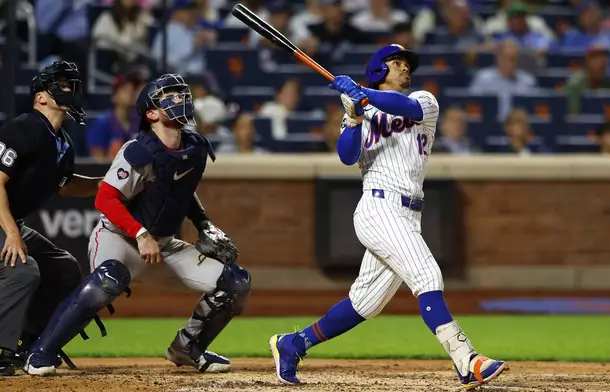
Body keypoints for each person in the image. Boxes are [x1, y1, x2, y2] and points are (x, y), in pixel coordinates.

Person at [268, 44, 507, 389]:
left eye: (407, 65)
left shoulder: (425, 101)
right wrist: (351, 117)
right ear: (380, 70)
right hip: (378, 208)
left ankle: (293, 344)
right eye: (397, 64)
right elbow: (346, 157)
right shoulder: (362, 111)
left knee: (365, 302)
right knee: (427, 275)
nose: (405, 69)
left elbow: (402, 106)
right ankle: (467, 361)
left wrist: (360, 93)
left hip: (409, 214)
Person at [23, 74, 251, 376]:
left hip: (164, 245)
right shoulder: (139, 150)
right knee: (106, 280)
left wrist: (204, 224)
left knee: (235, 283)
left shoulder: (195, 148)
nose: (180, 99)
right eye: (169, 96)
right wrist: (141, 234)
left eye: (182, 93)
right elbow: (105, 198)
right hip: (119, 238)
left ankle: (188, 347)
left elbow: (183, 192)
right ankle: (40, 353)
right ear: (151, 113)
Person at [0, 61, 102, 376]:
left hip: (10, 221)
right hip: (5, 221)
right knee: (22, 269)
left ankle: (34, 343)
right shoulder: (24, 127)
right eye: (61, 84)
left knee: (64, 267)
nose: (70, 90)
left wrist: (104, 185)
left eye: (71, 85)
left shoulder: (62, 143)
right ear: (41, 97)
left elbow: (67, 186)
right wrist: (12, 234)